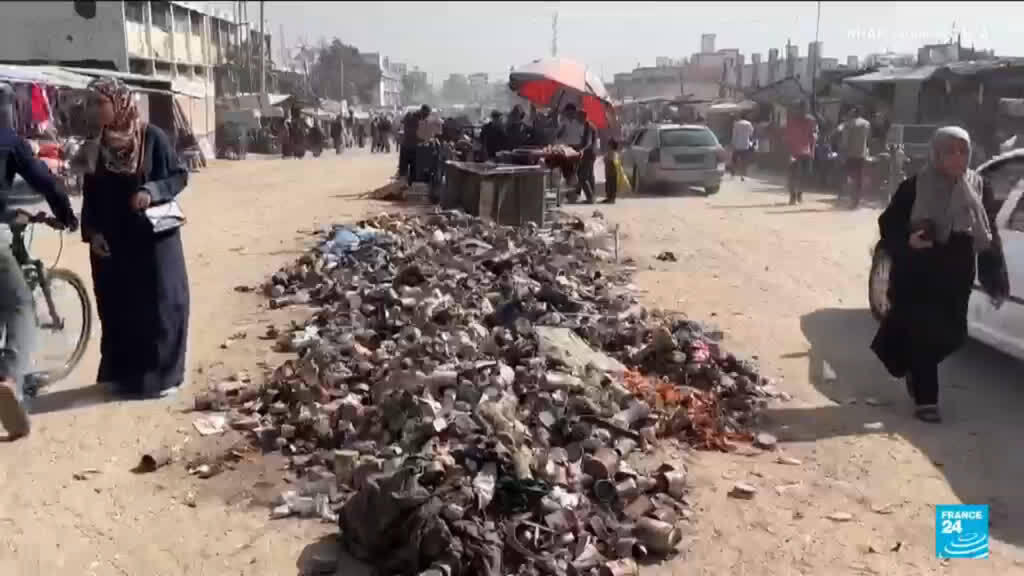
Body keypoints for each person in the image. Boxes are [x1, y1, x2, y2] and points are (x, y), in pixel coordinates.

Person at [871, 127, 1008, 423]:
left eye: (963, 151)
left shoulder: (979, 186)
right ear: (935, 154)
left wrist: (994, 278)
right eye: (950, 151)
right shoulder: (914, 187)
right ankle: (926, 399)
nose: (957, 158)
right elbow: (888, 224)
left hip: (957, 271)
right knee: (922, 331)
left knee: (953, 334)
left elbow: (989, 233)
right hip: (918, 269)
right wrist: (908, 241)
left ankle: (914, 368)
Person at [81, 77, 190, 399]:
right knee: (118, 308)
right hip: (115, 241)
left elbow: (179, 175)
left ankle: (162, 376)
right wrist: (93, 233)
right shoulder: (96, 145)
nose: (94, 110)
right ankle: (124, 377)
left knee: (161, 305)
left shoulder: (151, 137)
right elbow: (90, 195)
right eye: (91, 104)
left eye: (100, 103)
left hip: (152, 239)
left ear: (119, 103)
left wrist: (150, 190)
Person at [0, 83, 78, 438]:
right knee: (20, 305)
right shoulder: (10, 141)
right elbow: (46, 181)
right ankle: (10, 380)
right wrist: (66, 215)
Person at [785, 102, 817, 204]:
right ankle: (793, 196)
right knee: (793, 174)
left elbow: (813, 136)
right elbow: (787, 135)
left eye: (804, 109)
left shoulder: (811, 120)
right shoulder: (792, 119)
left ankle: (798, 194)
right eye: (800, 109)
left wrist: (812, 152)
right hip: (794, 151)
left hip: (805, 152)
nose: (802, 111)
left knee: (804, 174)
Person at [839, 107, 871, 207]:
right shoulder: (867, 124)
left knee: (850, 176)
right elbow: (868, 138)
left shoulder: (848, 124)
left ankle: (852, 199)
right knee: (859, 177)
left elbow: (845, 140)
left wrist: (842, 152)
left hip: (850, 154)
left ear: (853, 113)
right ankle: (857, 200)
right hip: (862, 154)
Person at [731, 114, 755, 181]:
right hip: (745, 144)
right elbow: (751, 133)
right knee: (744, 160)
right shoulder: (749, 124)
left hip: (737, 144)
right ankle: (743, 175)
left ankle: (733, 172)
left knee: (734, 159)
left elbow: (734, 134)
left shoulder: (736, 124)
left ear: (740, 118)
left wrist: (732, 143)